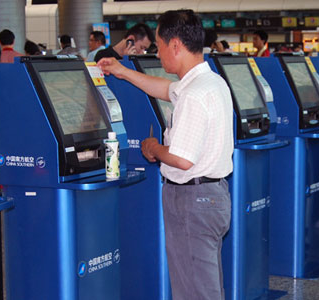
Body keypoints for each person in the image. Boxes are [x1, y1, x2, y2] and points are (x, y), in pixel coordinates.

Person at [98, 9, 233, 299]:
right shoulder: (210, 82)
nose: (157, 55)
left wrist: (152, 148)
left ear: (175, 46)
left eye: (159, 47)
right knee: (205, 286)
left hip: (193, 202)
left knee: (194, 291)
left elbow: (182, 158)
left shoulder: (195, 95)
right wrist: (122, 71)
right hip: (212, 195)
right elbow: (164, 89)